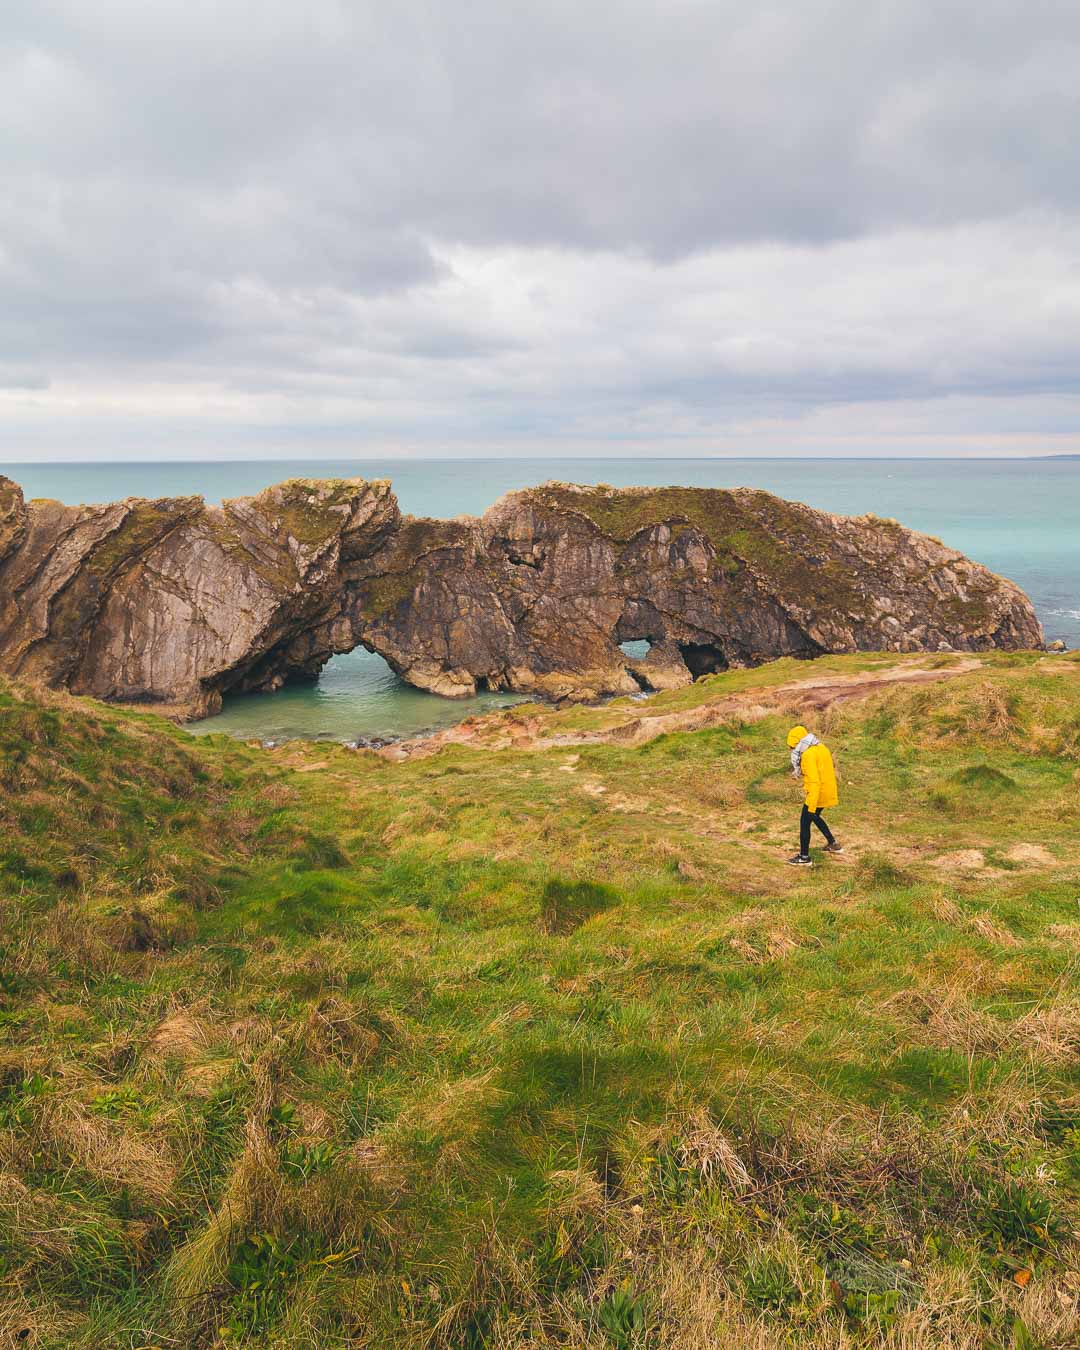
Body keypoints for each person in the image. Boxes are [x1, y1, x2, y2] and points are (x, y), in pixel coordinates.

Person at [786, 724, 842, 866]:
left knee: (805, 821)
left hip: (817, 793)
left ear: (797, 742)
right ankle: (833, 844)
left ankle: (804, 857)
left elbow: (814, 781)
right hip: (827, 789)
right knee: (815, 817)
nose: (791, 750)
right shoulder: (821, 747)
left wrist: (811, 803)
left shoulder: (807, 755)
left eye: (792, 746)